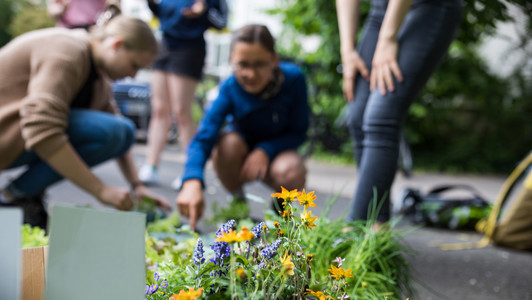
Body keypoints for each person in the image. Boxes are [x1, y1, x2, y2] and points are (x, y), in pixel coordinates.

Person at [0, 15, 171, 229]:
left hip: (15, 139)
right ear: (116, 45)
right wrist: (100, 190)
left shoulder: (98, 77)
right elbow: (40, 126)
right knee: (113, 131)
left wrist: (137, 186)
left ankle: (20, 195)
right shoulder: (66, 51)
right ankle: (11, 197)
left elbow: (120, 134)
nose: (133, 76)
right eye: (134, 65)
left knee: (122, 132)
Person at [336, 0, 462, 225]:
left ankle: (354, 231)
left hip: (430, 7)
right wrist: (347, 50)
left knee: (380, 116)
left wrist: (388, 39)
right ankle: (377, 229)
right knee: (356, 115)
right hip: (381, 8)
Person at [176, 24, 310, 231]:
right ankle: (239, 208)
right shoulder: (230, 88)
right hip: (239, 153)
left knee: (291, 171)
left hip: (279, 155)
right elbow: (205, 136)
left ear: (274, 60)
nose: (250, 73)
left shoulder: (294, 80)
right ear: (232, 60)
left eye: (259, 65)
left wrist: (265, 150)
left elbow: (299, 132)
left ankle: (280, 215)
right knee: (226, 144)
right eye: (243, 64)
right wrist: (192, 179)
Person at [138, 0, 228, 188]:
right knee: (159, 109)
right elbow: (161, 12)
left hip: (189, 48)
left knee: (181, 111)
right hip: (165, 43)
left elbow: (221, 22)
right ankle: (151, 166)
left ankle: (191, 171)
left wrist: (204, 11)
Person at [47, 0, 121, 30]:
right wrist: (60, 9)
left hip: (94, 29)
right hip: (69, 28)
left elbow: (115, 6)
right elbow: (54, 9)